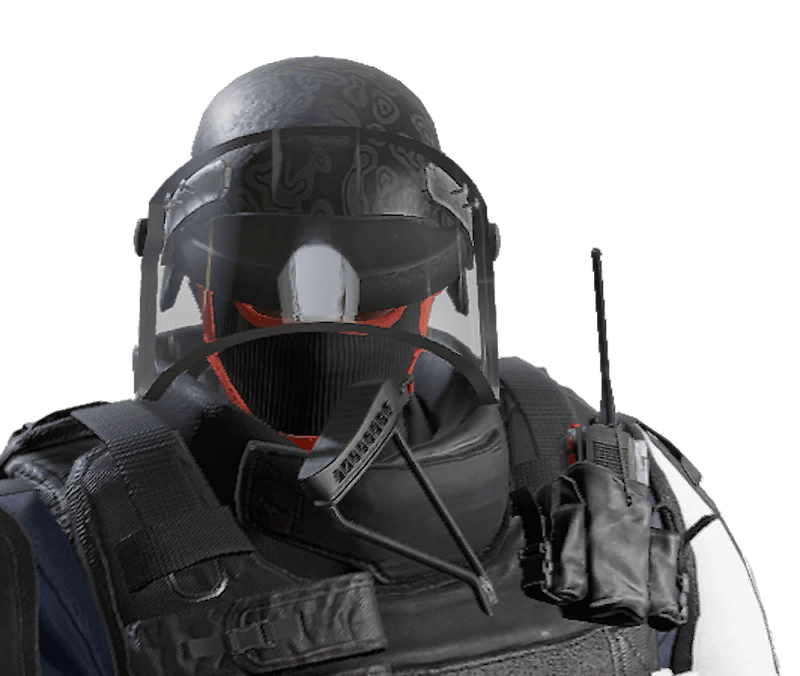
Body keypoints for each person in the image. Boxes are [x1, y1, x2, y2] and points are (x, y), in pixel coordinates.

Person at [0, 56, 778, 676]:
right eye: (271, 251)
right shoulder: (60, 530)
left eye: (370, 255)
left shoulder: (605, 465)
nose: (319, 301)